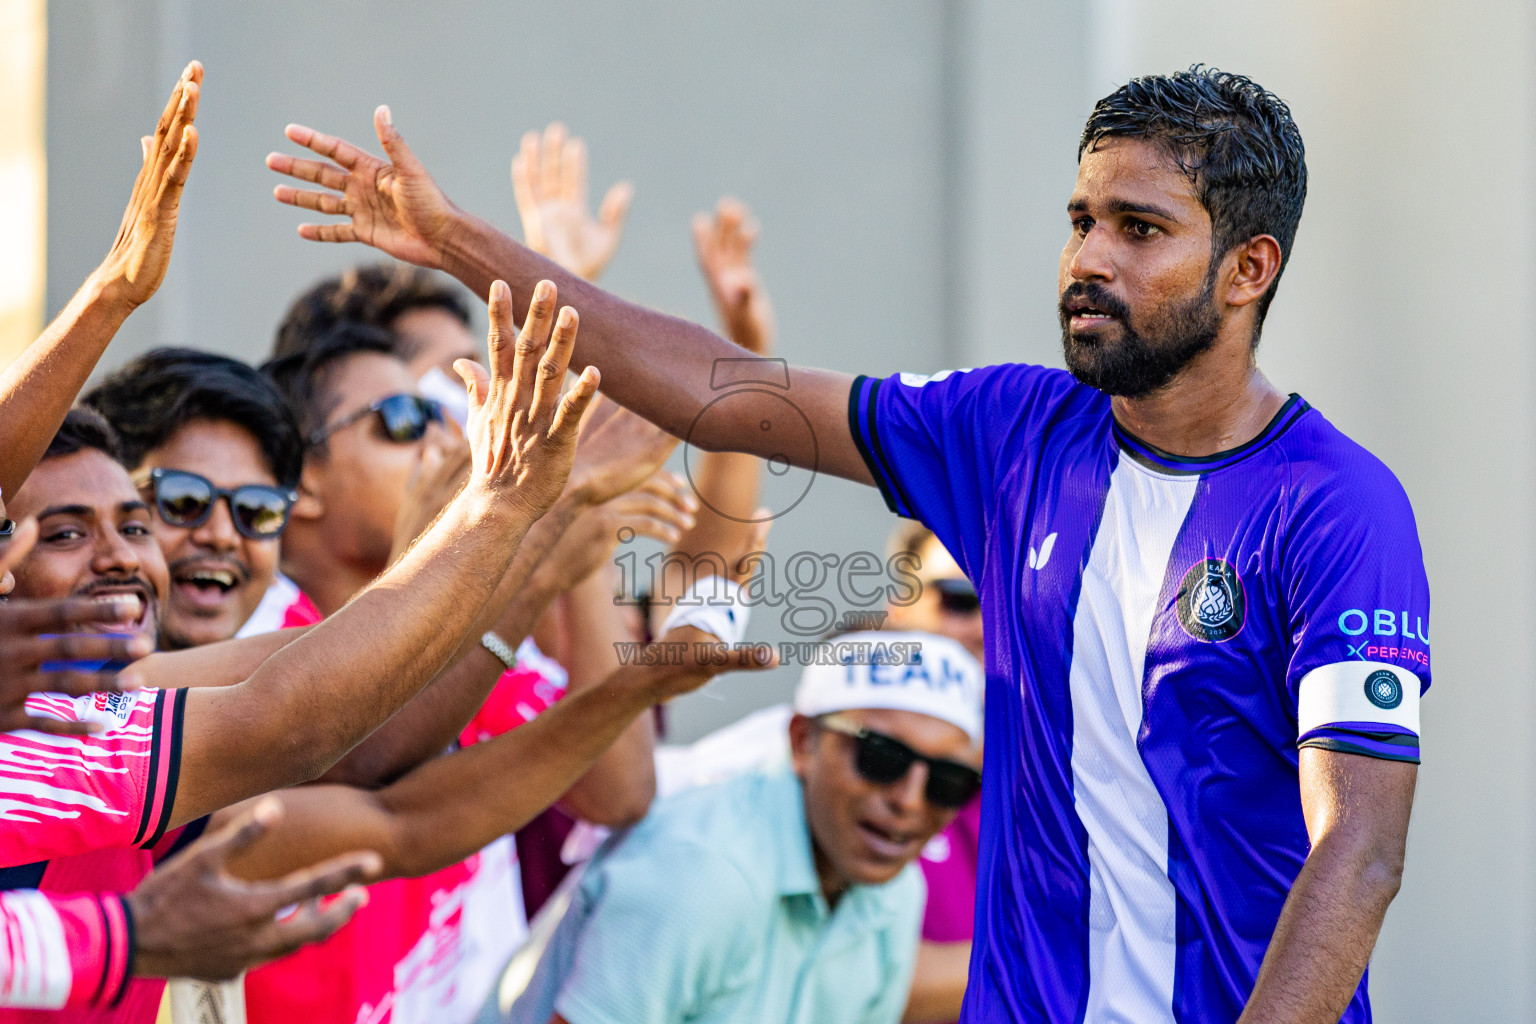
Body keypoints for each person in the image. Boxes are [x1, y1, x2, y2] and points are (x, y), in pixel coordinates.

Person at [271, 65, 1427, 1021]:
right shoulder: (1012, 430)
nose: (1088, 261)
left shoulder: (1337, 509)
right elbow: (723, 392)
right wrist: (458, 241)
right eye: (1081, 221)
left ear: (1247, 269)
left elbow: (1358, 854)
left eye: (1139, 230)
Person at [510, 632, 984, 1024]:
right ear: (803, 742)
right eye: (881, 757)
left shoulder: (897, 891)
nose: (909, 800)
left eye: (948, 782)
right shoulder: (702, 876)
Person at [82, 348, 312, 651]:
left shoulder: (309, 678)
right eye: (183, 500)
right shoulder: (26, 681)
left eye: (256, 510)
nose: (221, 536)